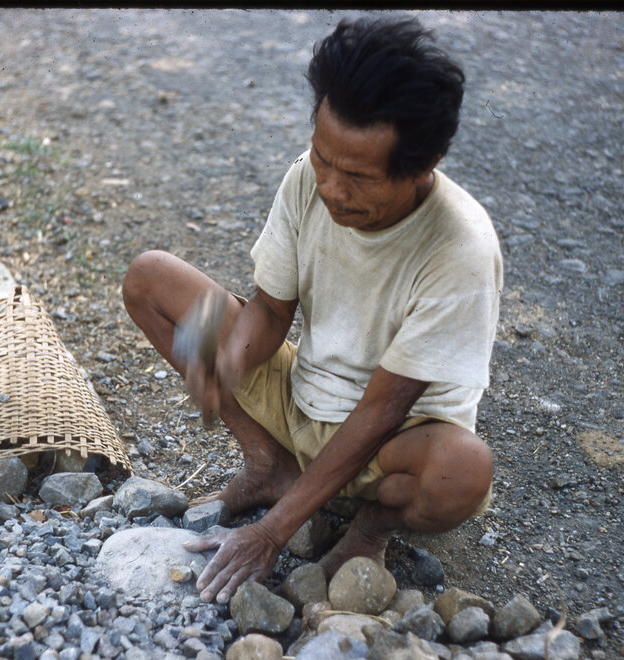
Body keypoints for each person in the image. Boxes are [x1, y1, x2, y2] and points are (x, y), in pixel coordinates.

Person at [122, 15, 503, 604]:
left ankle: (368, 529)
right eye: (323, 159)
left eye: (357, 177)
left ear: (423, 166)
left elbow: (381, 410)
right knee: (151, 280)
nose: (330, 189)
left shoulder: (461, 250)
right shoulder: (308, 180)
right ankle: (268, 462)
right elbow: (271, 312)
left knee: (464, 472)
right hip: (301, 399)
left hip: (392, 439)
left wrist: (274, 533)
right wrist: (226, 363)